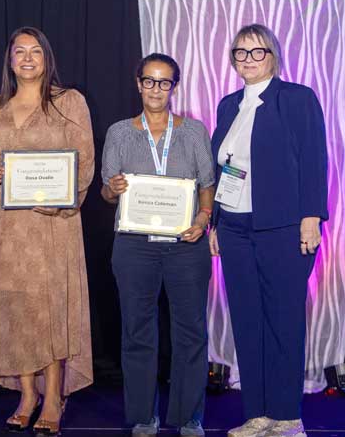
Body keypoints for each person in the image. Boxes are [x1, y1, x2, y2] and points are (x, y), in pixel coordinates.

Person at [0, 26, 94, 437]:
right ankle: (27, 394)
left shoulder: (68, 101)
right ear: (9, 59)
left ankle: (54, 395)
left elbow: (85, 163)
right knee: (16, 310)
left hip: (52, 225)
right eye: (18, 51)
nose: (26, 57)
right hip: (6, 228)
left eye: (35, 50)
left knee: (50, 310)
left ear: (47, 57)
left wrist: (63, 200)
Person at [209, 24, 328, 437]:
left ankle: (288, 417)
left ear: (273, 56)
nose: (247, 60)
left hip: (283, 229)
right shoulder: (228, 105)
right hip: (235, 229)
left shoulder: (296, 98)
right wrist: (215, 223)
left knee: (283, 321)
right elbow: (221, 170)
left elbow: (314, 157)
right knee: (247, 322)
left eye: (256, 52)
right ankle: (257, 415)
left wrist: (311, 216)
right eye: (240, 53)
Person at [101, 53, 215, 437]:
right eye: (149, 81)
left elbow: (207, 184)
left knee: (191, 330)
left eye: (164, 82)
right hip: (135, 246)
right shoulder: (119, 132)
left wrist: (202, 220)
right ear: (138, 83)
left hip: (187, 244)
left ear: (174, 87)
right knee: (137, 331)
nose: (156, 89)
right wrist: (112, 189)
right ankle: (142, 416)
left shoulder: (194, 132)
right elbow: (106, 191)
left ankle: (188, 416)